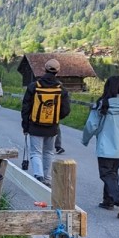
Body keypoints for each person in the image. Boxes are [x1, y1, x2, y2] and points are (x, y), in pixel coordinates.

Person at [81, 75, 119, 219]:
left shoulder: (102, 105)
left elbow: (91, 125)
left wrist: (85, 139)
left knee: (106, 174)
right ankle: (107, 201)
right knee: (112, 174)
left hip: (104, 147)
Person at [20, 59, 70, 187]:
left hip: (35, 126)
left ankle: (39, 175)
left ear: (44, 69)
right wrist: (55, 117)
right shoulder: (61, 89)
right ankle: (47, 179)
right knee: (48, 152)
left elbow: (26, 108)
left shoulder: (34, 86)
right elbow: (66, 110)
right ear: (57, 71)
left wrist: (25, 125)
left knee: (35, 152)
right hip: (52, 126)